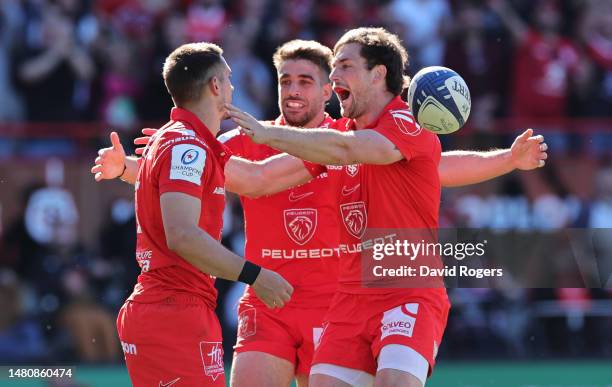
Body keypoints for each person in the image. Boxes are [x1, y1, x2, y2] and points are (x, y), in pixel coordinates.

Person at [94, 36, 547, 386]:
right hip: (272, 300)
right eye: (284, 81)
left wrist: (506, 158)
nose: (292, 90)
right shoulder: (249, 136)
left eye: (305, 81)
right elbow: (214, 175)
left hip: (333, 298)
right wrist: (132, 168)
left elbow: (432, 166)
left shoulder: (344, 137)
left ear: (329, 88)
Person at [226, 28, 547, 387]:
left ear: (378, 74)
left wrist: (267, 134)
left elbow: (349, 150)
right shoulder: (341, 137)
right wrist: (178, 148)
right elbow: (261, 177)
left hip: (406, 289)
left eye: (344, 65)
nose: (333, 76)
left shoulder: (406, 121)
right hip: (348, 298)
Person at [105, 42, 294, 386]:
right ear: (216, 86)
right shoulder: (187, 145)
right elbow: (182, 235)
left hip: (171, 308)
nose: (233, 88)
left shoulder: (182, 141)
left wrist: (125, 169)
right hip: (172, 312)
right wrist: (255, 275)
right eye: (229, 79)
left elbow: (253, 179)